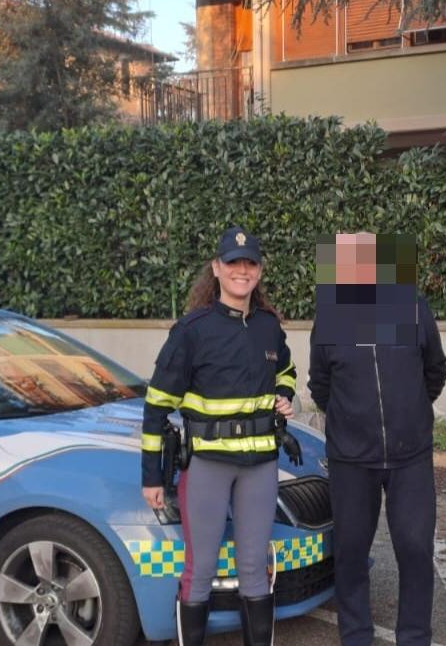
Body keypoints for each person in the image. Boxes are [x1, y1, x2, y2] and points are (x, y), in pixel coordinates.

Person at [141, 226, 298, 646]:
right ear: (217, 268)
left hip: (260, 466)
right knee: (201, 569)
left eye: (249, 264)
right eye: (233, 264)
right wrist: (152, 477)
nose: (241, 271)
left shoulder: (268, 326)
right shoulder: (192, 330)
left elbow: (285, 369)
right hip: (208, 466)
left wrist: (285, 394)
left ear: (259, 271)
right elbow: (156, 405)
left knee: (252, 566)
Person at [308, 232, 446, 646]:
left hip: (411, 457)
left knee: (416, 550)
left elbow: (434, 371)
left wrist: (411, 412)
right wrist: (352, 420)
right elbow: (321, 385)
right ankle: (355, 636)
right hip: (352, 459)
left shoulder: (413, 308)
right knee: (350, 553)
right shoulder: (331, 316)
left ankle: (414, 637)